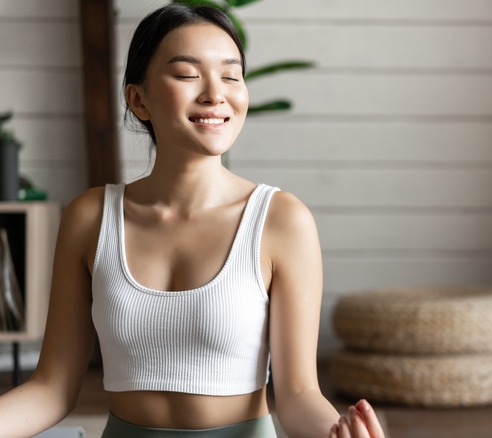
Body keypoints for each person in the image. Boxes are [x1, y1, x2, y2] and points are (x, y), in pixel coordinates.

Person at [0, 4, 385, 437]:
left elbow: (297, 396)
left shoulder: (281, 220)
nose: (214, 94)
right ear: (138, 99)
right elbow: (52, 388)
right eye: (187, 75)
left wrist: (339, 434)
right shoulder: (90, 217)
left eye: (231, 75)